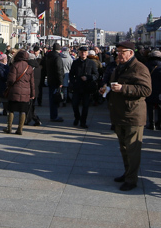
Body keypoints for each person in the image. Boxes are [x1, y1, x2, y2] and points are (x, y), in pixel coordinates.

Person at [101, 41, 151, 191]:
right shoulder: (119, 67)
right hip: (119, 113)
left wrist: (124, 88)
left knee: (132, 149)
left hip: (133, 115)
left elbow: (146, 90)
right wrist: (106, 89)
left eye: (123, 52)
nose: (119, 54)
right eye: (118, 51)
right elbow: (113, 84)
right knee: (124, 148)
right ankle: (127, 173)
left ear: (131, 53)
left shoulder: (139, 68)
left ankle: (131, 179)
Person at [3, 50, 35, 135]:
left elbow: (11, 80)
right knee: (23, 111)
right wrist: (32, 94)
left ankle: (9, 128)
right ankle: (20, 129)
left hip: (14, 91)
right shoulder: (29, 67)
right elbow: (32, 83)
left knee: (11, 110)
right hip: (25, 92)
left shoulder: (15, 65)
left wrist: (9, 85)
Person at [68, 46, 99, 129]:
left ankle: (83, 121)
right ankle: (77, 117)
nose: (83, 53)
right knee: (74, 104)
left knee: (85, 106)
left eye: (85, 52)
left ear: (87, 53)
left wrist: (88, 77)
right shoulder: (75, 62)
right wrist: (73, 81)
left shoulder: (91, 63)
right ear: (79, 53)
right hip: (77, 87)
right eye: (81, 52)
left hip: (87, 87)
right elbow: (71, 74)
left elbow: (96, 75)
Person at [45, 43, 64, 122]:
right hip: (56, 80)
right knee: (55, 98)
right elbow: (59, 70)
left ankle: (53, 115)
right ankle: (54, 116)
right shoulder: (57, 57)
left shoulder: (48, 56)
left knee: (51, 98)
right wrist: (61, 81)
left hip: (50, 79)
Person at [146, 50, 161, 130]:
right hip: (159, 90)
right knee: (159, 107)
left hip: (149, 88)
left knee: (150, 107)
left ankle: (151, 124)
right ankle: (159, 124)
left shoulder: (147, 65)